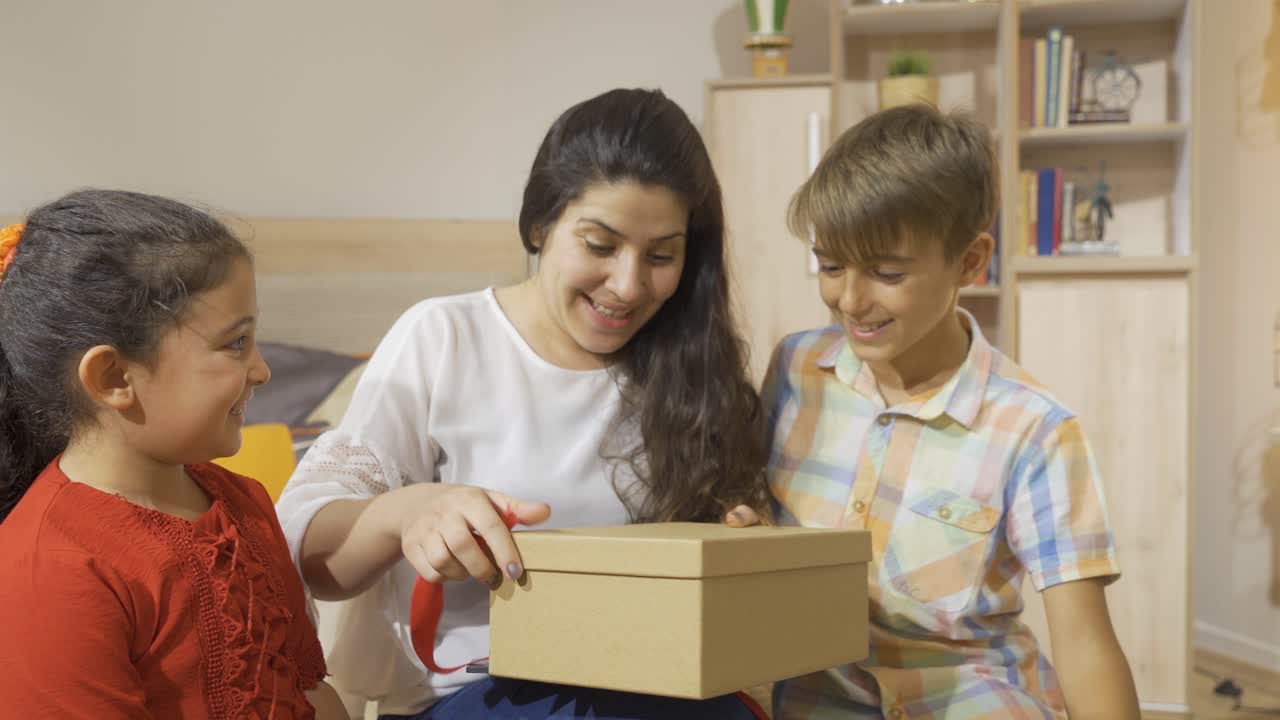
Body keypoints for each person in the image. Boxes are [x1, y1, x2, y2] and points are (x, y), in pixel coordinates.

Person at [275, 88, 771, 719]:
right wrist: (408, 512)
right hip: (471, 693)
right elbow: (307, 552)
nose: (627, 284)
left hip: (654, 687)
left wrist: (737, 562)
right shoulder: (444, 338)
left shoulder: (692, 372)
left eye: (661, 256)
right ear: (540, 225)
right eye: (599, 245)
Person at [762, 104, 1141, 719]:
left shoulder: (1035, 428)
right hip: (814, 698)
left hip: (968, 695)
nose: (850, 300)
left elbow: (1084, 643)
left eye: (886, 272)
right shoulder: (794, 370)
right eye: (830, 265)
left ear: (969, 261)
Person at [0, 189, 347, 717]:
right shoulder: (50, 566)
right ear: (114, 377)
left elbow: (309, 691)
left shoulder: (245, 504)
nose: (262, 370)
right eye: (235, 343)